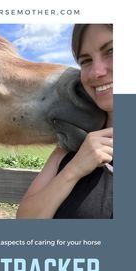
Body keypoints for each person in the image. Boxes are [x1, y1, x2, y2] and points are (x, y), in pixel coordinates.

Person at [16, 24, 113, 219]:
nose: (96, 72)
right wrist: (75, 169)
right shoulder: (72, 143)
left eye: (111, 51)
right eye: (86, 61)